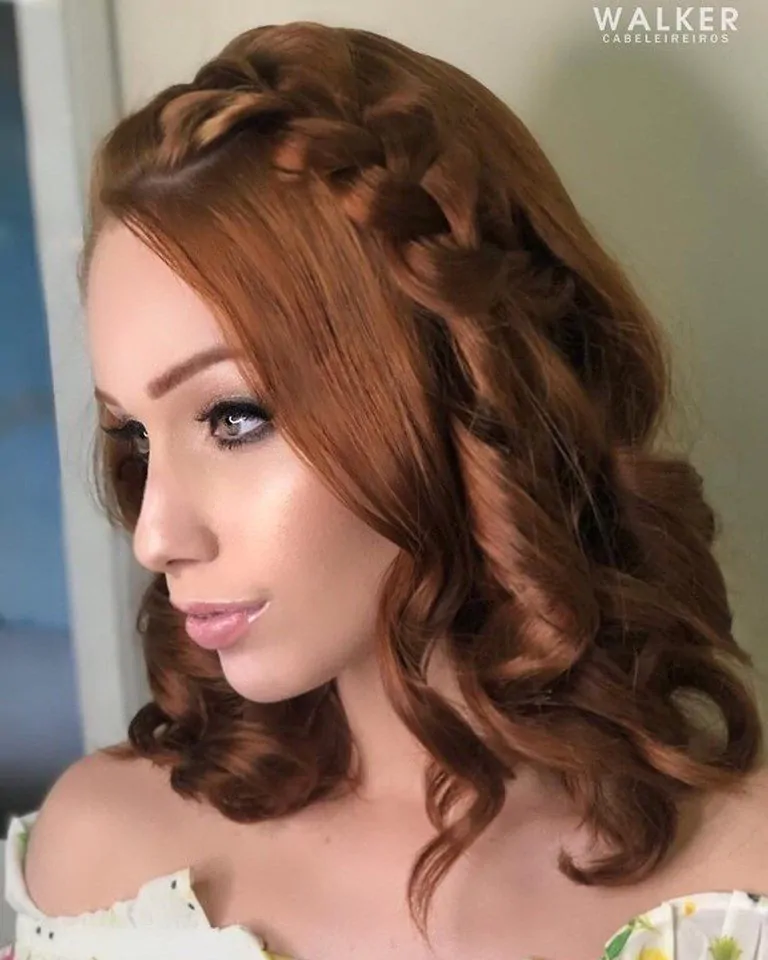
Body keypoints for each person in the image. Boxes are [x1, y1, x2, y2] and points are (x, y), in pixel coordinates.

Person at [3, 19, 767, 960]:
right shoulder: (95, 863)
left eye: (233, 416)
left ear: (454, 391)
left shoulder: (740, 885)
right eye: (133, 436)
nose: (154, 535)